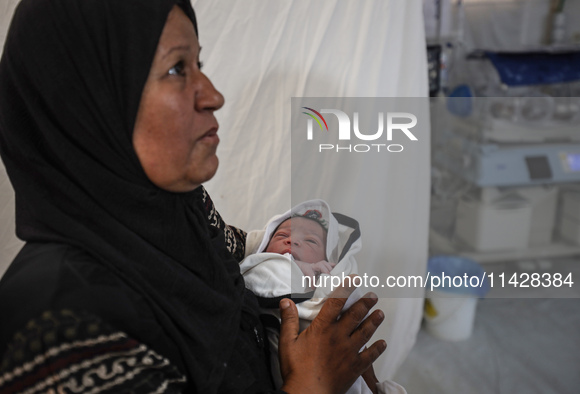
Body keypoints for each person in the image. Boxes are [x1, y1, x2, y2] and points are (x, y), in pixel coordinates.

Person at [0, 0, 387, 392]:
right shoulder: (61, 338)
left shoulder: (176, 208)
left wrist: (299, 248)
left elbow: (233, 243)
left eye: (198, 65)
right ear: (86, 103)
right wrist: (313, 384)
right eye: (175, 69)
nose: (213, 95)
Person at [240, 201, 406, 394]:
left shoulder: (330, 278)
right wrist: (301, 267)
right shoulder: (259, 266)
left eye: (311, 241)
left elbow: (346, 302)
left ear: (329, 259)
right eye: (281, 235)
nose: (292, 241)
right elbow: (264, 273)